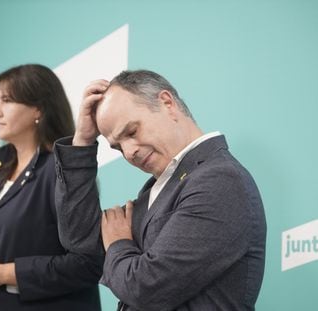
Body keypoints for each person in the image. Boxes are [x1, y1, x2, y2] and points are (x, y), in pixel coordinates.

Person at [53, 70, 267, 310]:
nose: (129, 152)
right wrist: (82, 141)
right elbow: (80, 237)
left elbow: (145, 289)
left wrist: (118, 245)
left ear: (167, 103)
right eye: (118, 147)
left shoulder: (220, 179)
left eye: (132, 132)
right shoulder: (160, 188)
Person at [0, 64, 103, 311]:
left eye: (6, 100)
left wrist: (2, 273)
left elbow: (87, 265)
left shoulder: (61, 170)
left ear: (38, 108)